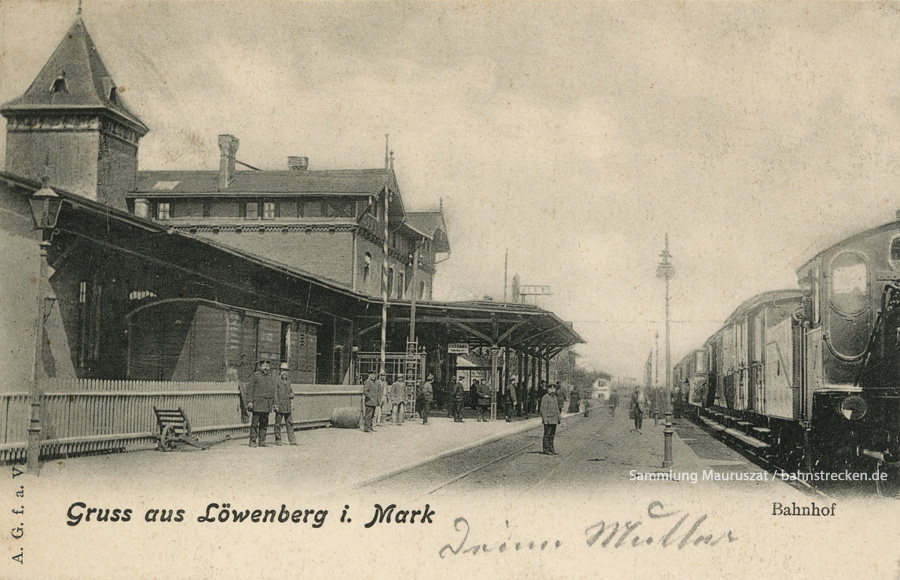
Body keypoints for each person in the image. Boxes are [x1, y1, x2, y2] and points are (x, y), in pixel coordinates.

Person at [246, 360, 278, 448]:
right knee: (254, 424)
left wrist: (274, 403)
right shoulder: (255, 376)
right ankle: (252, 441)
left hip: (267, 405)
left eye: (267, 366)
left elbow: (273, 392)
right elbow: (249, 389)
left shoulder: (271, 378)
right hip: (257, 404)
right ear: (260, 367)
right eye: (264, 366)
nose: (266, 368)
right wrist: (250, 401)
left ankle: (262, 442)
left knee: (264, 424)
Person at [272, 362, 297, 446]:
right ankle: (278, 440)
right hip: (279, 405)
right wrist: (275, 404)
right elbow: (275, 393)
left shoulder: (288, 381)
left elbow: (290, 391)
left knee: (289, 423)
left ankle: (292, 441)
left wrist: (292, 394)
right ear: (280, 371)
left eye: (286, 371)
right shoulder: (276, 380)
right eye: (283, 370)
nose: (284, 373)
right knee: (278, 424)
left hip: (287, 406)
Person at [540, 383, 561, 455]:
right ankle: (546, 449)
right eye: (551, 389)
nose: (552, 390)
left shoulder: (554, 397)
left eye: (554, 389)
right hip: (548, 419)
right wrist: (545, 420)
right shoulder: (545, 397)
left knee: (552, 435)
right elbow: (543, 410)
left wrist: (559, 419)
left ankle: (552, 449)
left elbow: (557, 409)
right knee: (547, 435)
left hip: (554, 419)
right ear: (547, 389)